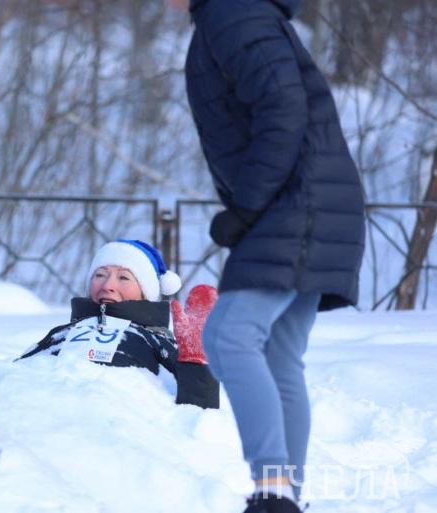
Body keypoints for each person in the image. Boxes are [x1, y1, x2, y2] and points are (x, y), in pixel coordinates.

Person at [176, 0, 366, 512]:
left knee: (229, 336)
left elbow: (282, 109)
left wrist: (246, 205)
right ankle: (283, 496)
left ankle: (274, 491)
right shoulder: (232, 13)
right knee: (279, 357)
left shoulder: (232, 12)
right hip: (308, 201)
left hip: (296, 204)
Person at [0, 239, 221, 410]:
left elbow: (194, 416)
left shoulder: (154, 338)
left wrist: (196, 362)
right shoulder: (62, 333)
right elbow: (3, 383)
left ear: (146, 291)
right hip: (32, 413)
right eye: (100, 274)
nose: (108, 284)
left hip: (108, 425)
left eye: (123, 278)